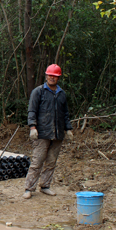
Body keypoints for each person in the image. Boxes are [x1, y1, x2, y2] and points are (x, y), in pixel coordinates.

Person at [23, 64, 73, 199]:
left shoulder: (62, 94)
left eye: (55, 76)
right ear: (46, 76)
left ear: (58, 78)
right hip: (42, 133)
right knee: (37, 161)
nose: (52, 78)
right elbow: (32, 110)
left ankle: (45, 186)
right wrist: (32, 127)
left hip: (57, 134)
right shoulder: (38, 92)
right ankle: (29, 188)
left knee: (51, 162)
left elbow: (65, 113)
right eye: (50, 75)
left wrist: (68, 128)